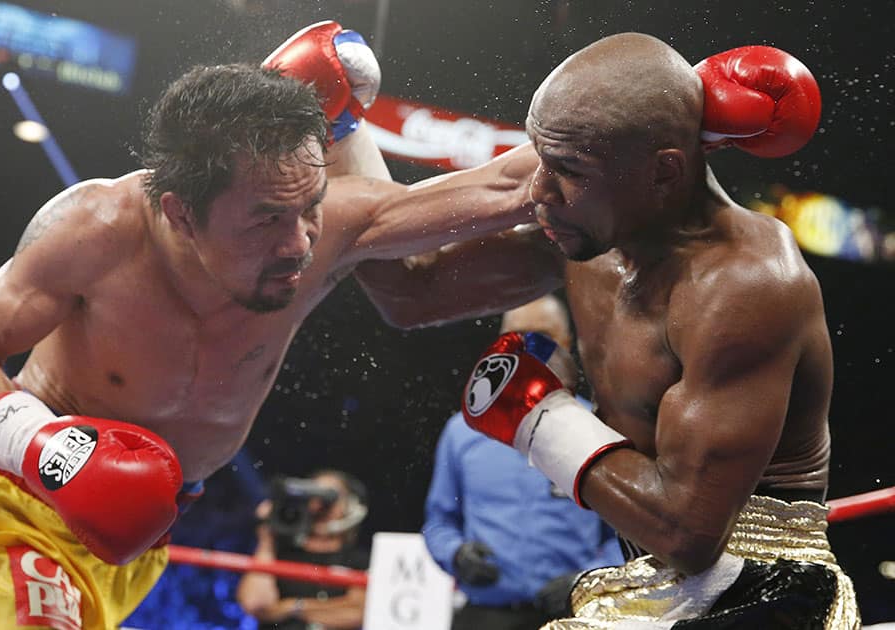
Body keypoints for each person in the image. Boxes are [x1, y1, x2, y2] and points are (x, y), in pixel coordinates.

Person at [0, 21, 542, 629]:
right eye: (266, 219)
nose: (299, 244)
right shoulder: (98, 229)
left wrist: (609, 165)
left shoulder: (324, 225)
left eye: (311, 207)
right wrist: (48, 452)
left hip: (142, 539)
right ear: (181, 214)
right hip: (17, 506)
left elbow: (500, 192)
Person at [354, 34, 860, 627]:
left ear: (664, 173)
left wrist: (539, 418)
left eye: (568, 170)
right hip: (647, 578)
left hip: (761, 588)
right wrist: (341, 131)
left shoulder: (744, 285)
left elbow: (688, 531)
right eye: (541, 158)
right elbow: (411, 294)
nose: (537, 190)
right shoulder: (587, 236)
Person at [423, 295, 623, 630]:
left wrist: (589, 580)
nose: (528, 350)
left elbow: (624, 534)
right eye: (517, 338)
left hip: (576, 615)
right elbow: (438, 522)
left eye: (541, 337)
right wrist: (457, 555)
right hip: (487, 616)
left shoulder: (597, 427)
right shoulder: (462, 433)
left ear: (565, 344)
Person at [237, 470, 370, 630]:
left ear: (350, 505)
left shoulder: (361, 560)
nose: (320, 504)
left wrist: (291, 606)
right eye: (313, 494)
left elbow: (357, 613)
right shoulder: (281, 556)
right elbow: (255, 604)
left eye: (330, 495)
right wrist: (267, 540)